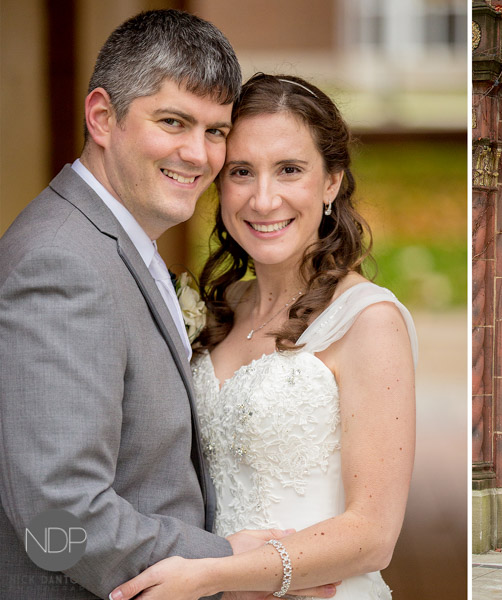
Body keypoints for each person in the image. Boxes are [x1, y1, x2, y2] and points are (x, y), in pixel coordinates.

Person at [0, 11, 334, 600]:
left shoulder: (115, 244)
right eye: (173, 122)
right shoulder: (62, 264)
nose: (197, 154)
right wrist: (226, 560)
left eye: (214, 131)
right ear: (102, 117)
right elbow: (57, 521)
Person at [109, 73, 417, 600]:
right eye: (241, 172)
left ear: (331, 182)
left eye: (290, 170)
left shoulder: (369, 320)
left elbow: (372, 536)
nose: (264, 198)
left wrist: (212, 573)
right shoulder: (219, 310)